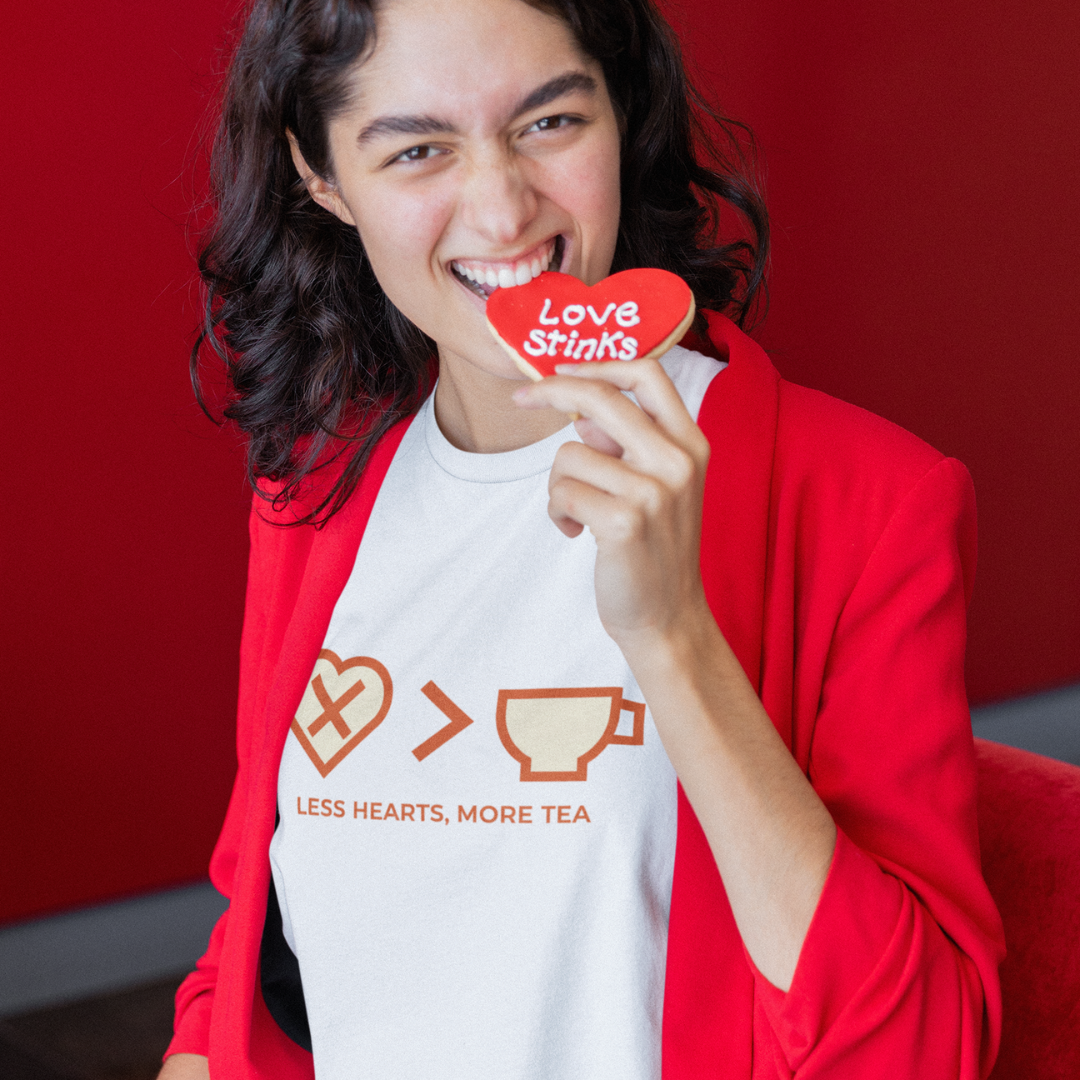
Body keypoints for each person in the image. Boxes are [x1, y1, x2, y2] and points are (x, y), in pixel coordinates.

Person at [160, 0, 1005, 1077]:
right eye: (418, 149)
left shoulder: (867, 501)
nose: (503, 209)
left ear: (621, 113)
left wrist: (674, 638)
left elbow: (920, 1050)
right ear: (321, 175)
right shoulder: (314, 500)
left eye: (550, 122)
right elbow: (244, 960)